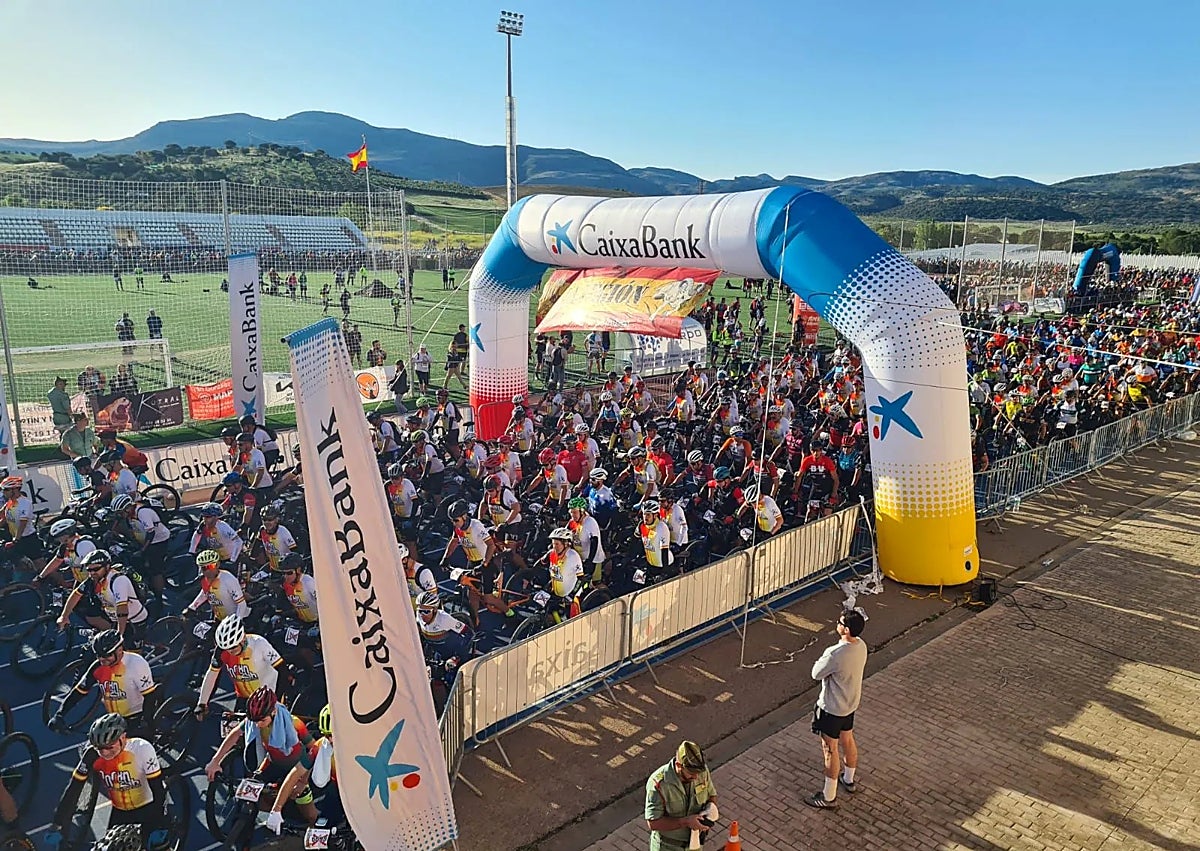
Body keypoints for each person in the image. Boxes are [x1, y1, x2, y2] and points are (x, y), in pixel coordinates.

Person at [48, 714, 169, 848]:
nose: (104, 752)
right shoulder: (91, 755)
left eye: (110, 747)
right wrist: (57, 823)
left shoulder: (142, 749)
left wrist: (159, 824)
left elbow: (158, 788)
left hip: (149, 805)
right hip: (121, 810)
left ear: (123, 738)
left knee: (158, 846)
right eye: (99, 748)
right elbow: (73, 789)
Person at [204, 686, 319, 825]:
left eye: (262, 721)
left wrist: (302, 782)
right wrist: (215, 760)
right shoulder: (255, 719)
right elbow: (235, 733)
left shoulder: (294, 723)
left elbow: (314, 748)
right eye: (255, 721)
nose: (257, 725)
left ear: (273, 712)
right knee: (258, 801)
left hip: (297, 769)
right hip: (273, 763)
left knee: (311, 817)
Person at [807, 608, 868, 809]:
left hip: (831, 708)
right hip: (850, 704)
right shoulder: (861, 646)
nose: (838, 624)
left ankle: (828, 795)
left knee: (830, 749)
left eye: (840, 622)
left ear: (846, 630)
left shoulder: (835, 653)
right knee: (847, 739)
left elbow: (816, 673)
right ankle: (848, 779)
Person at [48, 630, 159, 738]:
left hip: (136, 716)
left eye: (106, 655)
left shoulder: (136, 663)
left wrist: (146, 722)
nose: (102, 659)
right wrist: (60, 714)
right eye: (98, 655)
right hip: (115, 719)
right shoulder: (98, 666)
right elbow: (79, 692)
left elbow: (150, 696)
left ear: (119, 650)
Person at [645, 741, 718, 851]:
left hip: (695, 844)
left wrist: (710, 811)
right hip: (668, 847)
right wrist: (686, 822)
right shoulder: (658, 784)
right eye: (691, 773)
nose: (696, 777)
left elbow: (711, 795)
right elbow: (653, 823)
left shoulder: (702, 771)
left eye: (698, 773)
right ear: (679, 766)